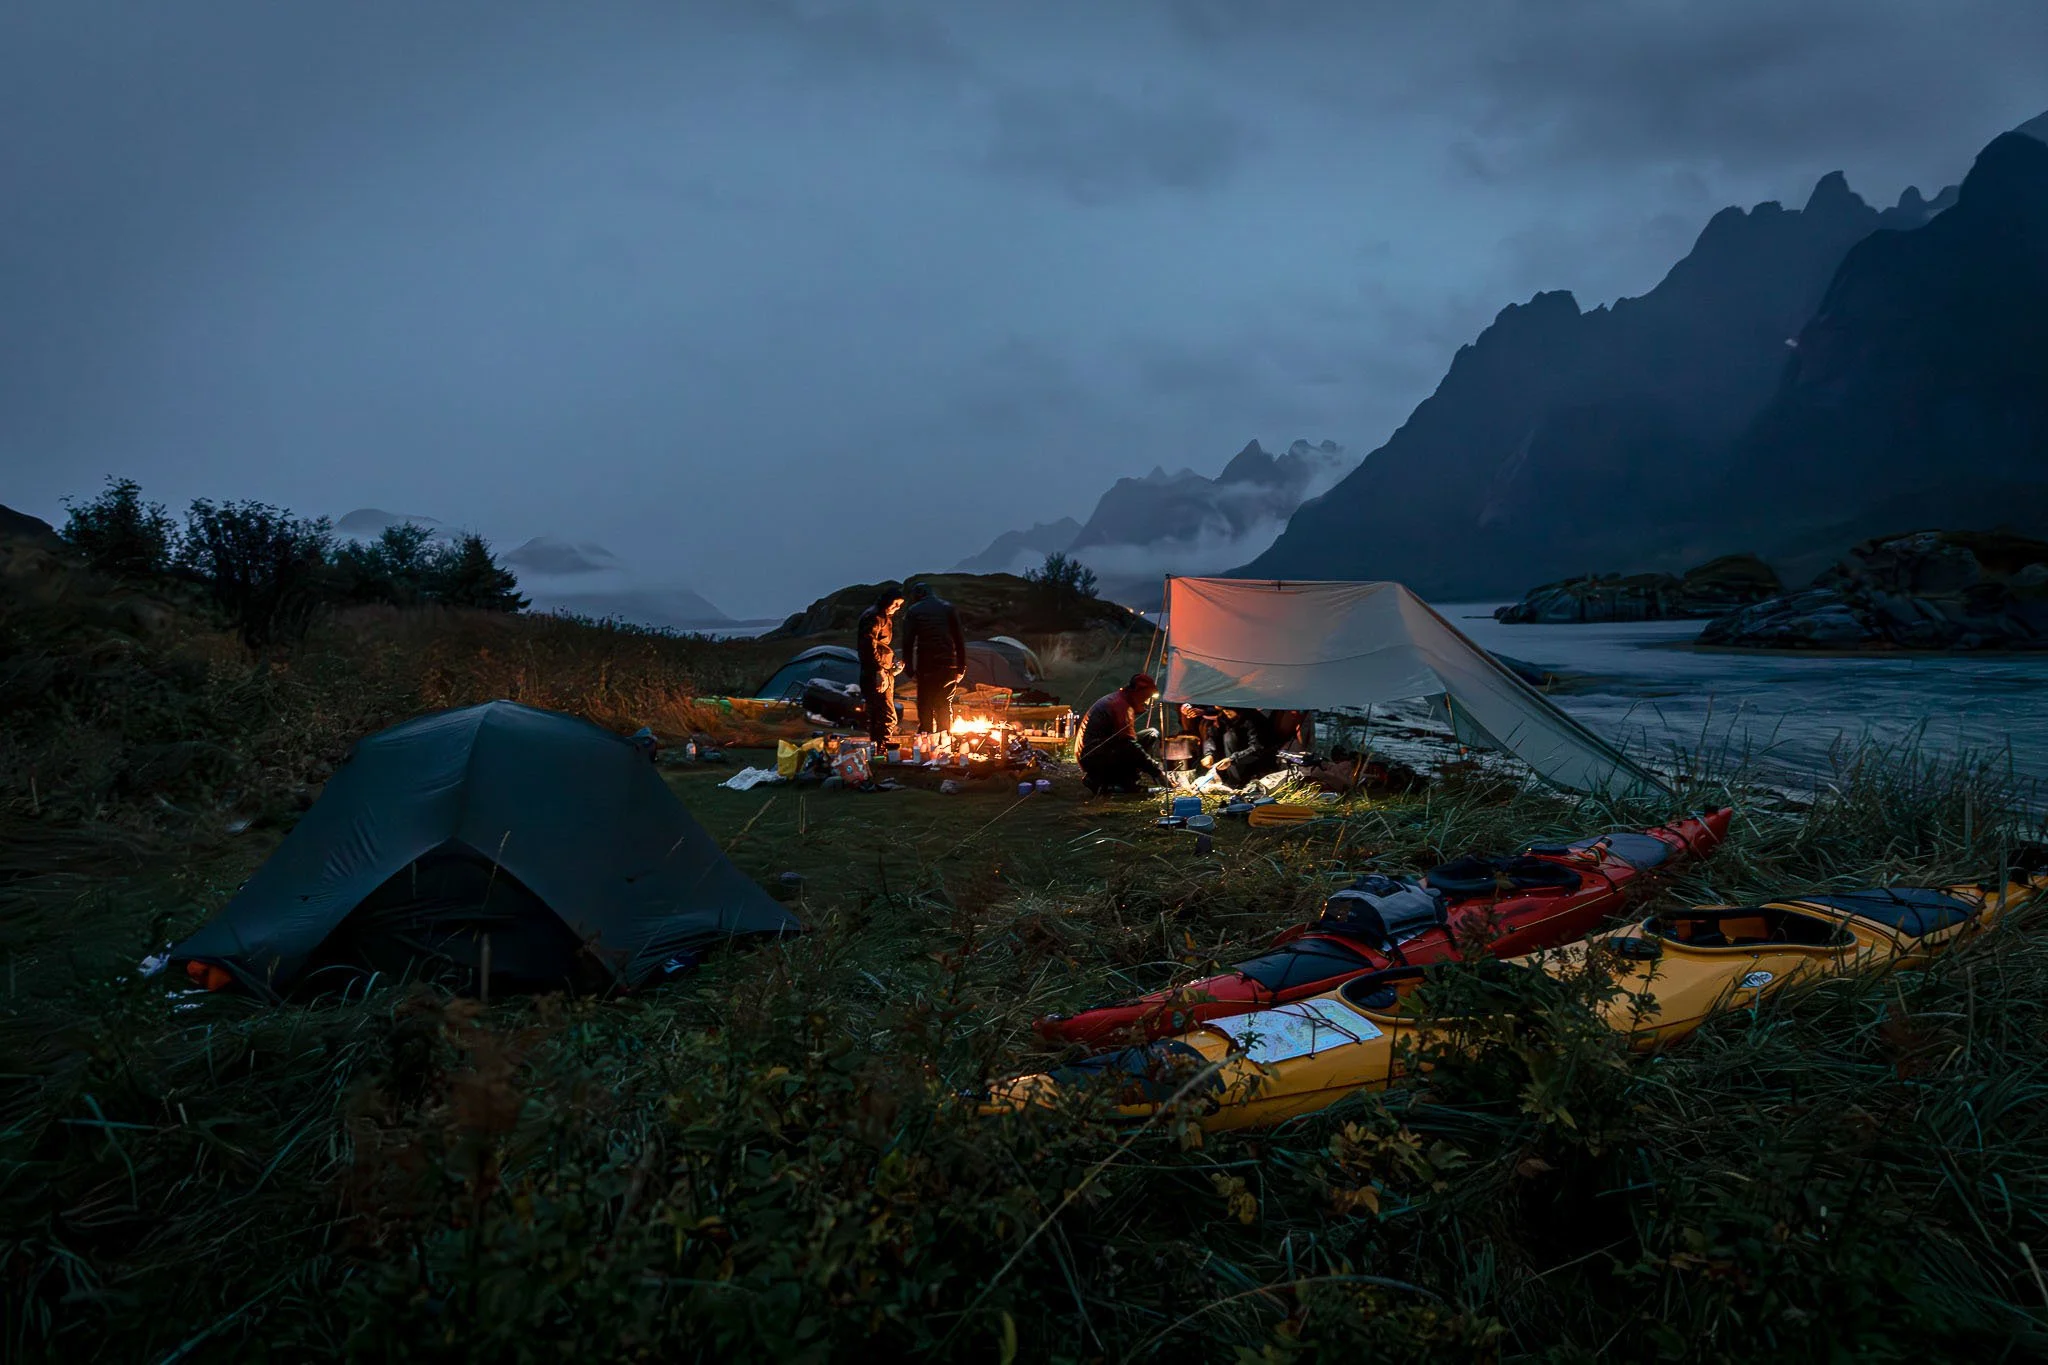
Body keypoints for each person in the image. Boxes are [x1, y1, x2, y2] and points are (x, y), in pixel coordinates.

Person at [1078, 674, 1169, 795]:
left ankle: (1110, 779)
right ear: (1137, 692)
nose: (1147, 701)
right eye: (1145, 697)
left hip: (1098, 751)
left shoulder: (1121, 698)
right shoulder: (1120, 706)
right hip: (1094, 757)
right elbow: (1128, 744)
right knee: (1131, 748)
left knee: (1150, 734)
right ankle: (1121, 784)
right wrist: (1157, 771)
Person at [900, 581, 966, 735]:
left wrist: (909, 670)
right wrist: (961, 667)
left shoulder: (914, 611)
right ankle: (944, 741)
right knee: (944, 703)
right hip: (949, 664)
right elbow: (959, 640)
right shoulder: (948, 608)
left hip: (926, 664)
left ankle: (926, 738)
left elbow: (907, 642)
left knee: (925, 704)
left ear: (917, 595)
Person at [855, 584, 905, 745]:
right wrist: (880, 671)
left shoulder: (882, 617)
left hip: (882, 670)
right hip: (876, 673)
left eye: (900, 605)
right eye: (895, 603)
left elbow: (880, 646)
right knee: (886, 717)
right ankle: (882, 753)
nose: (897, 608)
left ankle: (877, 751)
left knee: (878, 715)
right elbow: (868, 644)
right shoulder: (875, 617)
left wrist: (892, 665)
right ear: (887, 601)